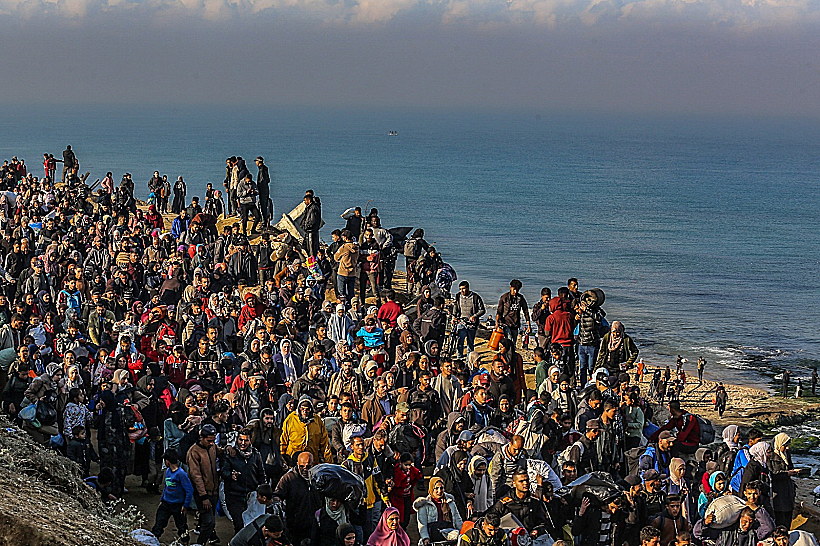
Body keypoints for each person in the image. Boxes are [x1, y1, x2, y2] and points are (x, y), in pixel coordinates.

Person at [273, 452, 322, 546]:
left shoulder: (319, 477)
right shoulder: (289, 478)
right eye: (302, 466)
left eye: (308, 466)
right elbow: (277, 494)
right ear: (297, 464)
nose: (305, 469)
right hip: (296, 524)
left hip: (315, 523)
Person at [187, 424, 222, 546]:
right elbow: (196, 477)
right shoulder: (194, 452)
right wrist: (203, 497)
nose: (212, 443)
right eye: (209, 440)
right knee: (209, 522)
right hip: (203, 494)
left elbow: (219, 451)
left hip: (213, 491)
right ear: (201, 438)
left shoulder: (212, 447)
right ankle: (200, 543)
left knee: (209, 519)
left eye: (213, 440)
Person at [151, 448, 193, 544]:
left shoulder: (181, 474)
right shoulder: (168, 471)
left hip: (178, 505)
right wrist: (162, 500)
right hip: (166, 503)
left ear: (167, 461)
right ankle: (153, 541)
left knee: (182, 526)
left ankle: (185, 542)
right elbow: (166, 487)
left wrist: (185, 505)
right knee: (159, 523)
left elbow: (189, 490)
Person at [413, 476, 464, 546]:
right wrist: (425, 538)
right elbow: (422, 525)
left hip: (450, 536)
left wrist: (463, 533)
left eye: (441, 488)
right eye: (436, 488)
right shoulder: (424, 505)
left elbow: (457, 520)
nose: (439, 491)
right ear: (431, 489)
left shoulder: (450, 502)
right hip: (432, 537)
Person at [768, 432, 798, 528]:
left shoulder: (786, 454)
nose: (787, 448)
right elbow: (772, 474)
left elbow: (790, 466)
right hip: (777, 491)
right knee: (779, 516)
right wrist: (786, 473)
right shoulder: (771, 456)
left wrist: (792, 471)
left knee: (788, 515)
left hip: (787, 489)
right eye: (785, 446)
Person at [452, 281, 485, 359]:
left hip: (472, 325)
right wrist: (453, 316)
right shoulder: (458, 296)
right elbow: (455, 308)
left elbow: (482, 310)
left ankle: (469, 362)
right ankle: (459, 359)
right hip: (461, 323)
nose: (462, 291)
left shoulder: (476, 297)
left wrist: (475, 316)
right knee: (459, 342)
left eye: (463, 289)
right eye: (460, 289)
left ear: (468, 288)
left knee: (470, 344)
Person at [496, 279, 530, 347]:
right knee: (509, 341)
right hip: (506, 323)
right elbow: (499, 311)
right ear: (510, 287)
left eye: (517, 289)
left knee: (513, 343)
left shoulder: (520, 298)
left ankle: (511, 356)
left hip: (515, 324)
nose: (515, 291)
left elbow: (525, 311)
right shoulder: (504, 297)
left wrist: (528, 325)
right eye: (514, 289)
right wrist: (497, 323)